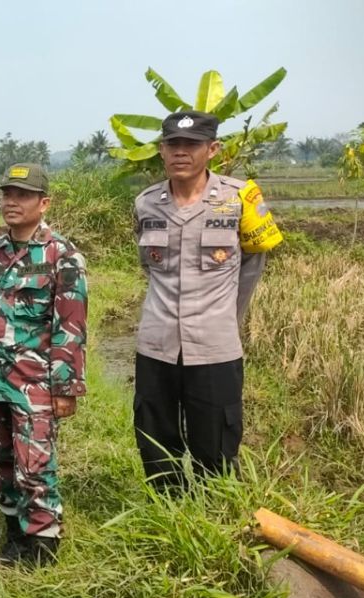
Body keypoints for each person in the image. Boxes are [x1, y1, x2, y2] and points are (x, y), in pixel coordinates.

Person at [0, 163, 88, 565]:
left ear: (43, 203)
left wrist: (65, 388)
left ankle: (42, 546)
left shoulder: (62, 256)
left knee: (35, 464)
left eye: (23, 195)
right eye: (7, 194)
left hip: (35, 385)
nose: (12, 202)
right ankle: (14, 536)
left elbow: (70, 326)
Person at [133, 111, 267, 491]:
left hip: (215, 346)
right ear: (161, 150)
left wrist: (225, 318)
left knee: (217, 441)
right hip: (156, 344)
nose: (180, 152)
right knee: (155, 436)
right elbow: (151, 269)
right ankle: (169, 513)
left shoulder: (238, 199)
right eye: (173, 144)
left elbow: (252, 266)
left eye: (190, 145)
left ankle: (216, 515)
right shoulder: (146, 204)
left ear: (212, 149)